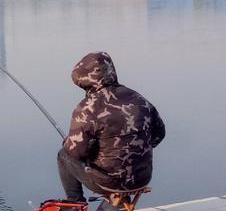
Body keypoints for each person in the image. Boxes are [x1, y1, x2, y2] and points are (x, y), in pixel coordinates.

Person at [58, 52, 165, 202]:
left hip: (110, 182)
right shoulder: (138, 98)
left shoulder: (86, 109)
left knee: (63, 156)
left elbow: (77, 153)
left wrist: (68, 142)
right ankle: (121, 205)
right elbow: (159, 134)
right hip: (142, 177)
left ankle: (76, 205)